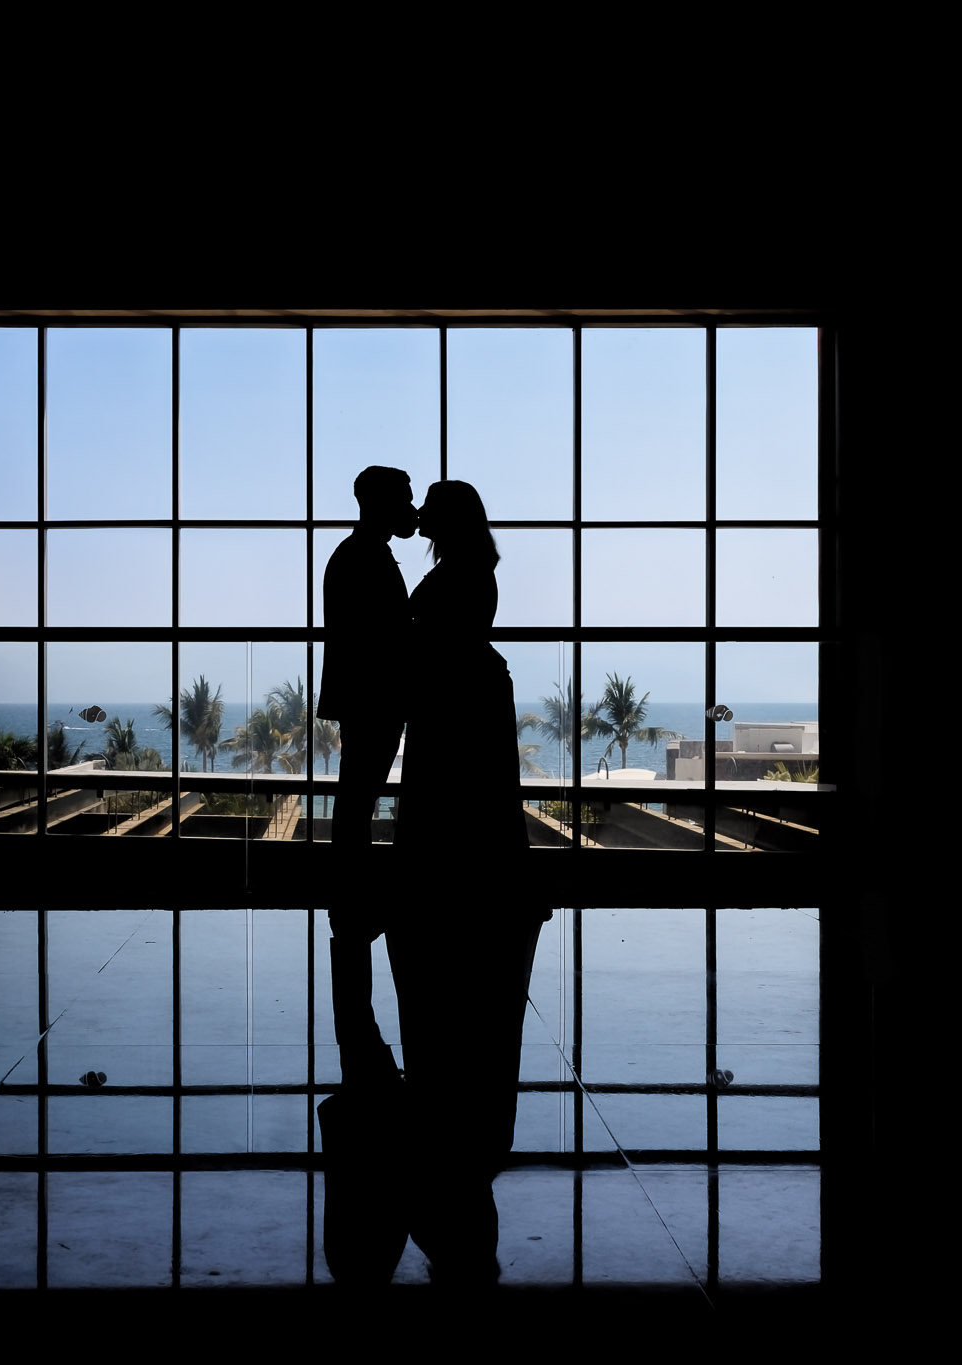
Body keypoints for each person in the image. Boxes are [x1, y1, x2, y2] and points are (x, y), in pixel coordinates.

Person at [390, 479, 548, 1286]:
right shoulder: (477, 574)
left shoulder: (454, 579)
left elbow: (420, 644)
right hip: (469, 709)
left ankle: (445, 1102)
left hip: (449, 718)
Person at [315, 466, 417, 1080]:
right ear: (381, 503)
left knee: (357, 794)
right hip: (374, 696)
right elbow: (387, 636)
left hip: (364, 695)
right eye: (403, 499)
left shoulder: (355, 554)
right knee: (359, 795)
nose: (409, 507)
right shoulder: (367, 558)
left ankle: (349, 895)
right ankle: (350, 892)